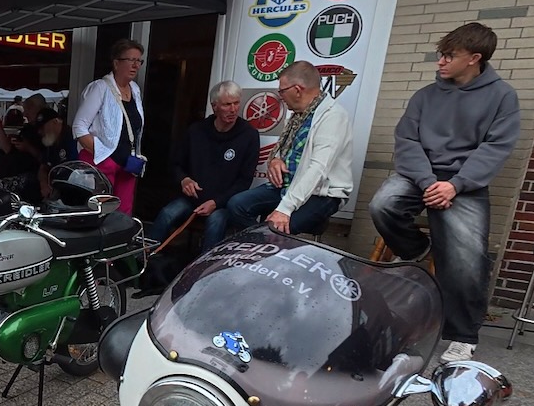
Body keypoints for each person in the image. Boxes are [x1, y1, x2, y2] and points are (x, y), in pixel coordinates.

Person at [369, 23, 521, 364]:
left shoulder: (502, 97)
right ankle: (420, 250)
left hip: (465, 182)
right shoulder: (425, 96)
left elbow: (496, 148)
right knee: (383, 204)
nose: (440, 61)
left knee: (468, 256)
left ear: (474, 58)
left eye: (449, 56)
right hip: (420, 176)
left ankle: (462, 336)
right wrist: (427, 182)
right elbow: (406, 141)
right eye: (441, 54)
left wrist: (456, 184)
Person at [224, 61, 352, 237]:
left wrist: (284, 209)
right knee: (237, 205)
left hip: (321, 193)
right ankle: (263, 241)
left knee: (276, 228)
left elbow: (318, 168)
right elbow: (283, 148)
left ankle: (266, 242)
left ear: (297, 90)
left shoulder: (333, 117)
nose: (280, 96)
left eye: (282, 90)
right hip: (287, 184)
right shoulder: (297, 116)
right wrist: (276, 160)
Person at [147, 81, 259, 249]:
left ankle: (205, 265)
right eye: (227, 104)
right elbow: (176, 164)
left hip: (223, 204)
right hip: (193, 199)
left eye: (236, 103)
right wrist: (184, 180)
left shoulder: (249, 135)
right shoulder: (196, 131)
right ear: (214, 107)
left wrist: (216, 202)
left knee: (215, 222)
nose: (233, 109)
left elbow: (244, 181)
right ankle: (143, 256)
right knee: (167, 214)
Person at [73, 39, 146, 214]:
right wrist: (104, 155)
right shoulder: (100, 87)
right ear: (116, 63)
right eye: (131, 60)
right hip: (102, 161)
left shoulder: (135, 89)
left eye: (139, 61)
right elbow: (79, 127)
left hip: (127, 163)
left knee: (123, 213)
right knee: (97, 212)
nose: (136, 65)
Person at [34, 108, 77, 202]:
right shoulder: (50, 143)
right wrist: (43, 182)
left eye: (43, 127)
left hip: (72, 190)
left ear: (55, 122)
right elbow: (43, 167)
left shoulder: (72, 138)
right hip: (53, 190)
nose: (40, 132)